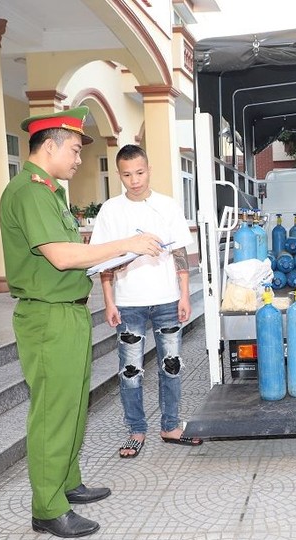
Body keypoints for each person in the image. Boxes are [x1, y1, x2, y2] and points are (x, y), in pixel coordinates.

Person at [0, 107, 166, 539]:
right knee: (52, 410)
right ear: (50, 145)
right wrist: (126, 242)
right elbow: (62, 255)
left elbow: (75, 254)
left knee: (74, 404)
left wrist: (120, 254)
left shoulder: (50, 192)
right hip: (47, 315)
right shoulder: (30, 191)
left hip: (67, 310)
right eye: (74, 149)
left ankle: (66, 482)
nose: (78, 159)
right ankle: (47, 507)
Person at [89, 144, 200, 458]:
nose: (134, 180)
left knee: (172, 367)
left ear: (148, 169)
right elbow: (103, 259)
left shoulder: (167, 206)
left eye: (139, 172)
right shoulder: (111, 210)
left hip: (166, 300)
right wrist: (109, 302)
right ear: (119, 174)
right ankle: (136, 430)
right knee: (131, 371)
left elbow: (179, 254)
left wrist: (183, 294)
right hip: (129, 304)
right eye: (127, 174)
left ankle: (171, 426)